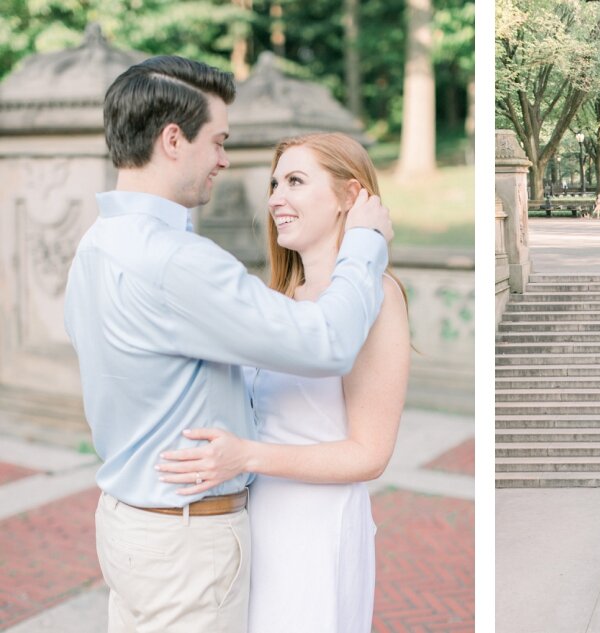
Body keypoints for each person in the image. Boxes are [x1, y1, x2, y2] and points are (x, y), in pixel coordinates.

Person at [63, 56, 393, 632]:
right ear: (173, 140)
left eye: (294, 180)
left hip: (132, 524)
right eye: (217, 141)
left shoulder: (95, 248)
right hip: (186, 541)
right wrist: (365, 243)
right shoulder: (175, 261)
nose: (223, 159)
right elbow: (327, 343)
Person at [157, 133, 409, 632]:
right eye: (275, 182)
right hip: (256, 525)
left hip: (317, 529)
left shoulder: (378, 298)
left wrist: (246, 455)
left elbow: (370, 453)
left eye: (295, 180)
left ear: (349, 197)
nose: (276, 197)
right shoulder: (282, 296)